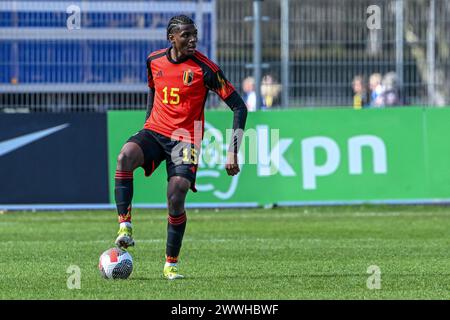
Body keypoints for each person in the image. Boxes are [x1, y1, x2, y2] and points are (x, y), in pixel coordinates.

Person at [113, 15, 248, 280]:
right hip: (155, 131)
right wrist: (147, 123)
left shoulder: (205, 69)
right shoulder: (154, 61)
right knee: (124, 157)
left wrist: (233, 150)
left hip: (185, 139)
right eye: (186, 35)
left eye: (194, 34)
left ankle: (170, 264)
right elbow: (153, 89)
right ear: (171, 38)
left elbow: (239, 106)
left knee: (176, 194)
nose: (192, 40)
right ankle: (125, 227)